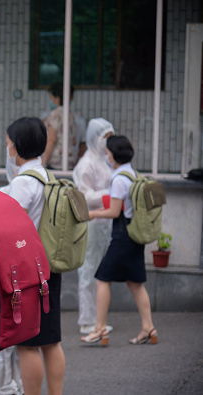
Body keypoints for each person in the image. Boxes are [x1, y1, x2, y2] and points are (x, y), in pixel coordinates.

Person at [7, 117, 65, 395]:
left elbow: (8, 224)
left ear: (17, 147)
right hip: (52, 265)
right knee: (52, 341)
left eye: (9, 144)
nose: (8, 149)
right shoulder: (48, 176)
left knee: (28, 344)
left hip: (30, 272)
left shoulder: (23, 183)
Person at [81, 135, 158, 346]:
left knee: (102, 278)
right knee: (135, 284)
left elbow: (115, 212)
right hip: (136, 235)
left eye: (107, 152)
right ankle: (148, 328)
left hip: (123, 236)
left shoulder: (118, 179)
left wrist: (94, 213)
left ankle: (99, 329)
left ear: (114, 155)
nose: (106, 155)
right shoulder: (133, 174)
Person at [72, 118, 116, 335]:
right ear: (93, 138)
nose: (107, 142)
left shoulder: (106, 161)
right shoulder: (86, 164)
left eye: (109, 137)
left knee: (100, 272)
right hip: (92, 223)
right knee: (89, 270)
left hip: (106, 222)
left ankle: (97, 318)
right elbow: (84, 195)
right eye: (104, 137)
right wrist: (110, 195)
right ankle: (87, 320)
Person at [41, 82, 86, 170]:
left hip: (56, 162)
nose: (51, 100)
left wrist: (43, 162)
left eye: (52, 97)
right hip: (69, 161)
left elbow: (52, 140)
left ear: (57, 98)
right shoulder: (70, 115)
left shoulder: (55, 115)